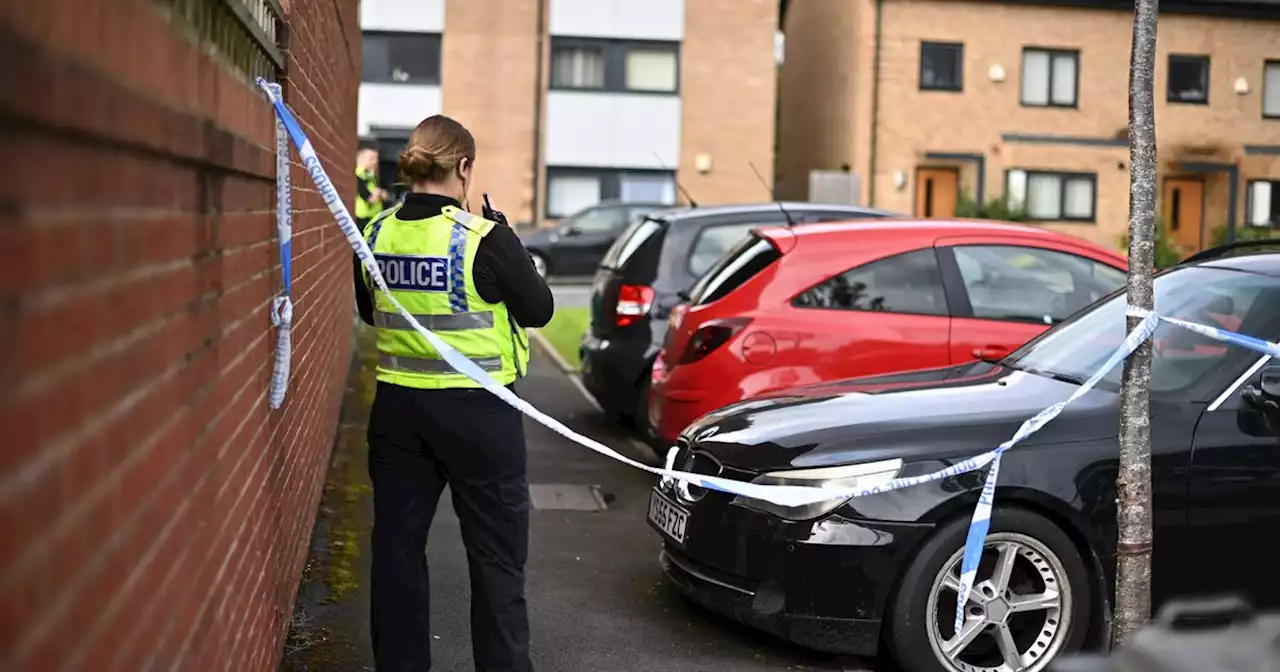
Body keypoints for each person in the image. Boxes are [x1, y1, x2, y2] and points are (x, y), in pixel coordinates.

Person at [352, 115, 553, 672]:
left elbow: (369, 312)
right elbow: (540, 309)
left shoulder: (374, 234)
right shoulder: (483, 240)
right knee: (495, 561)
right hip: (479, 416)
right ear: (463, 168)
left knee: (395, 553)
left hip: (398, 412)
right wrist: (506, 236)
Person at [355, 148, 390, 229]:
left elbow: (385, 196)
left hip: (375, 218)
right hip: (363, 220)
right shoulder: (358, 176)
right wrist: (378, 194)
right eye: (371, 159)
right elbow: (370, 199)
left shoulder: (371, 176)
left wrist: (379, 193)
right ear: (361, 160)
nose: (375, 162)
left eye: (376, 159)